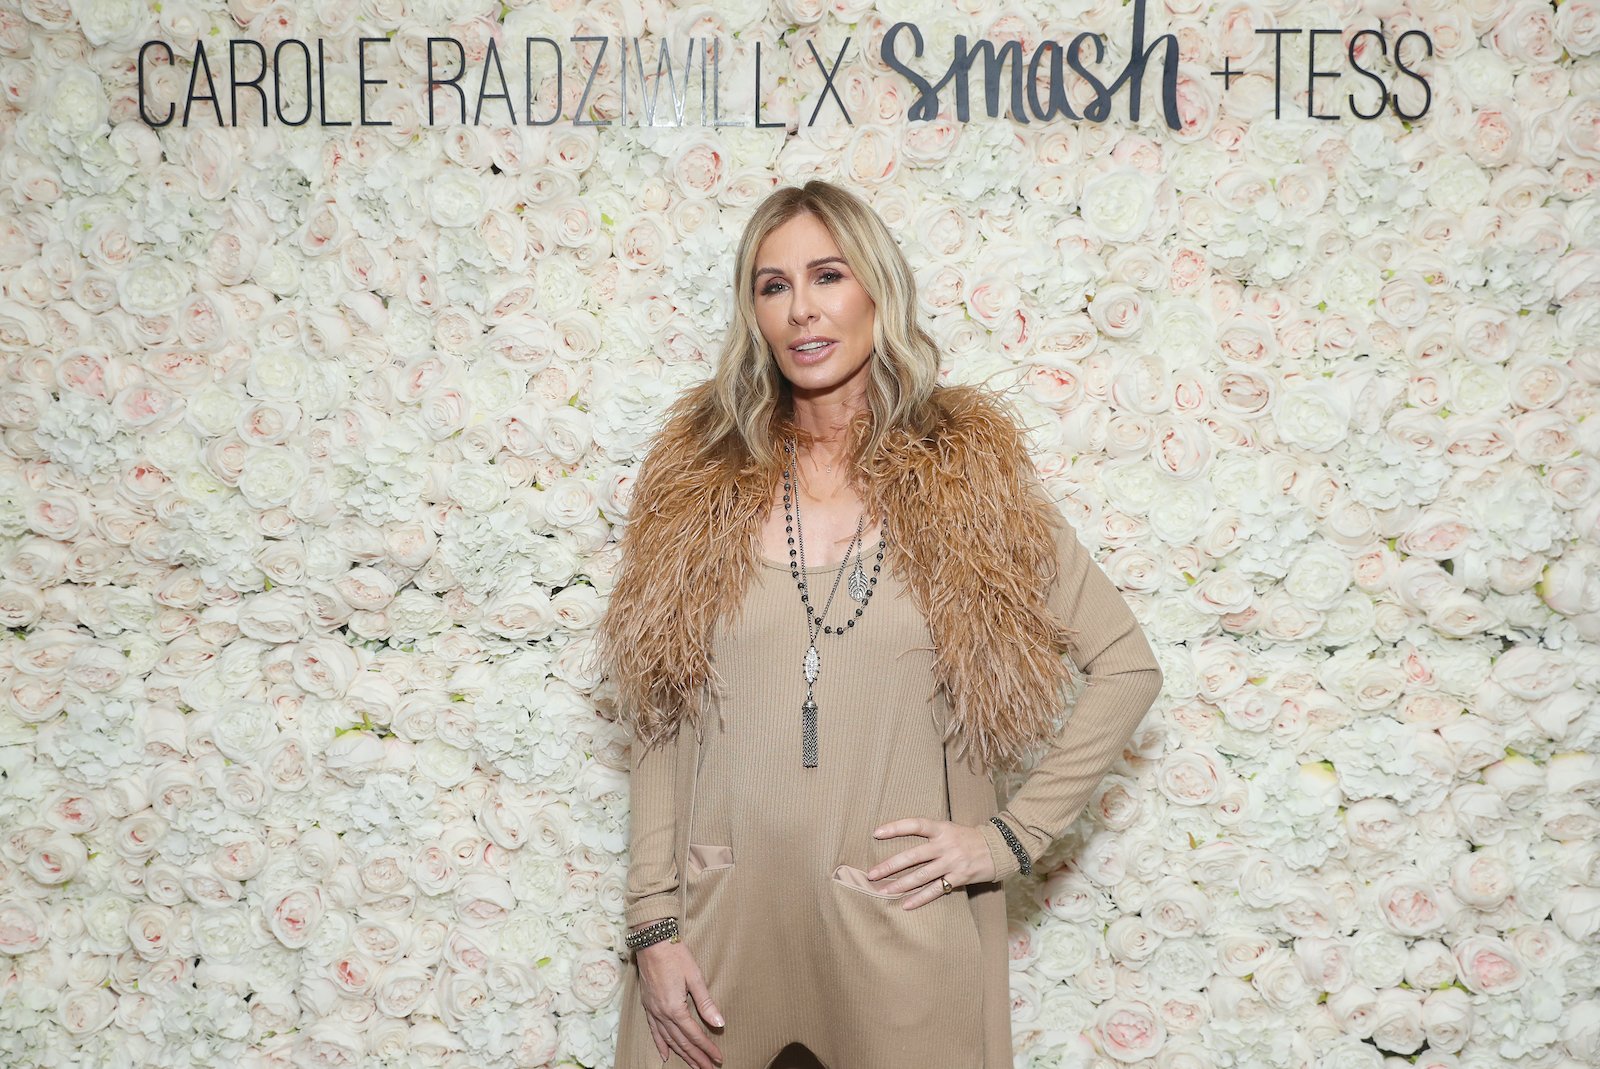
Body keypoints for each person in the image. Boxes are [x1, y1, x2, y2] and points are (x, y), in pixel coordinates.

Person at [596, 180, 1164, 1069]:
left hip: (901, 934)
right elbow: (661, 719)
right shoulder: (696, 484)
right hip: (717, 936)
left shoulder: (970, 482)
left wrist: (1006, 838)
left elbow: (1127, 667)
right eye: (772, 285)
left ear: (877, 292)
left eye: (828, 274)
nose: (801, 309)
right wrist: (653, 926)